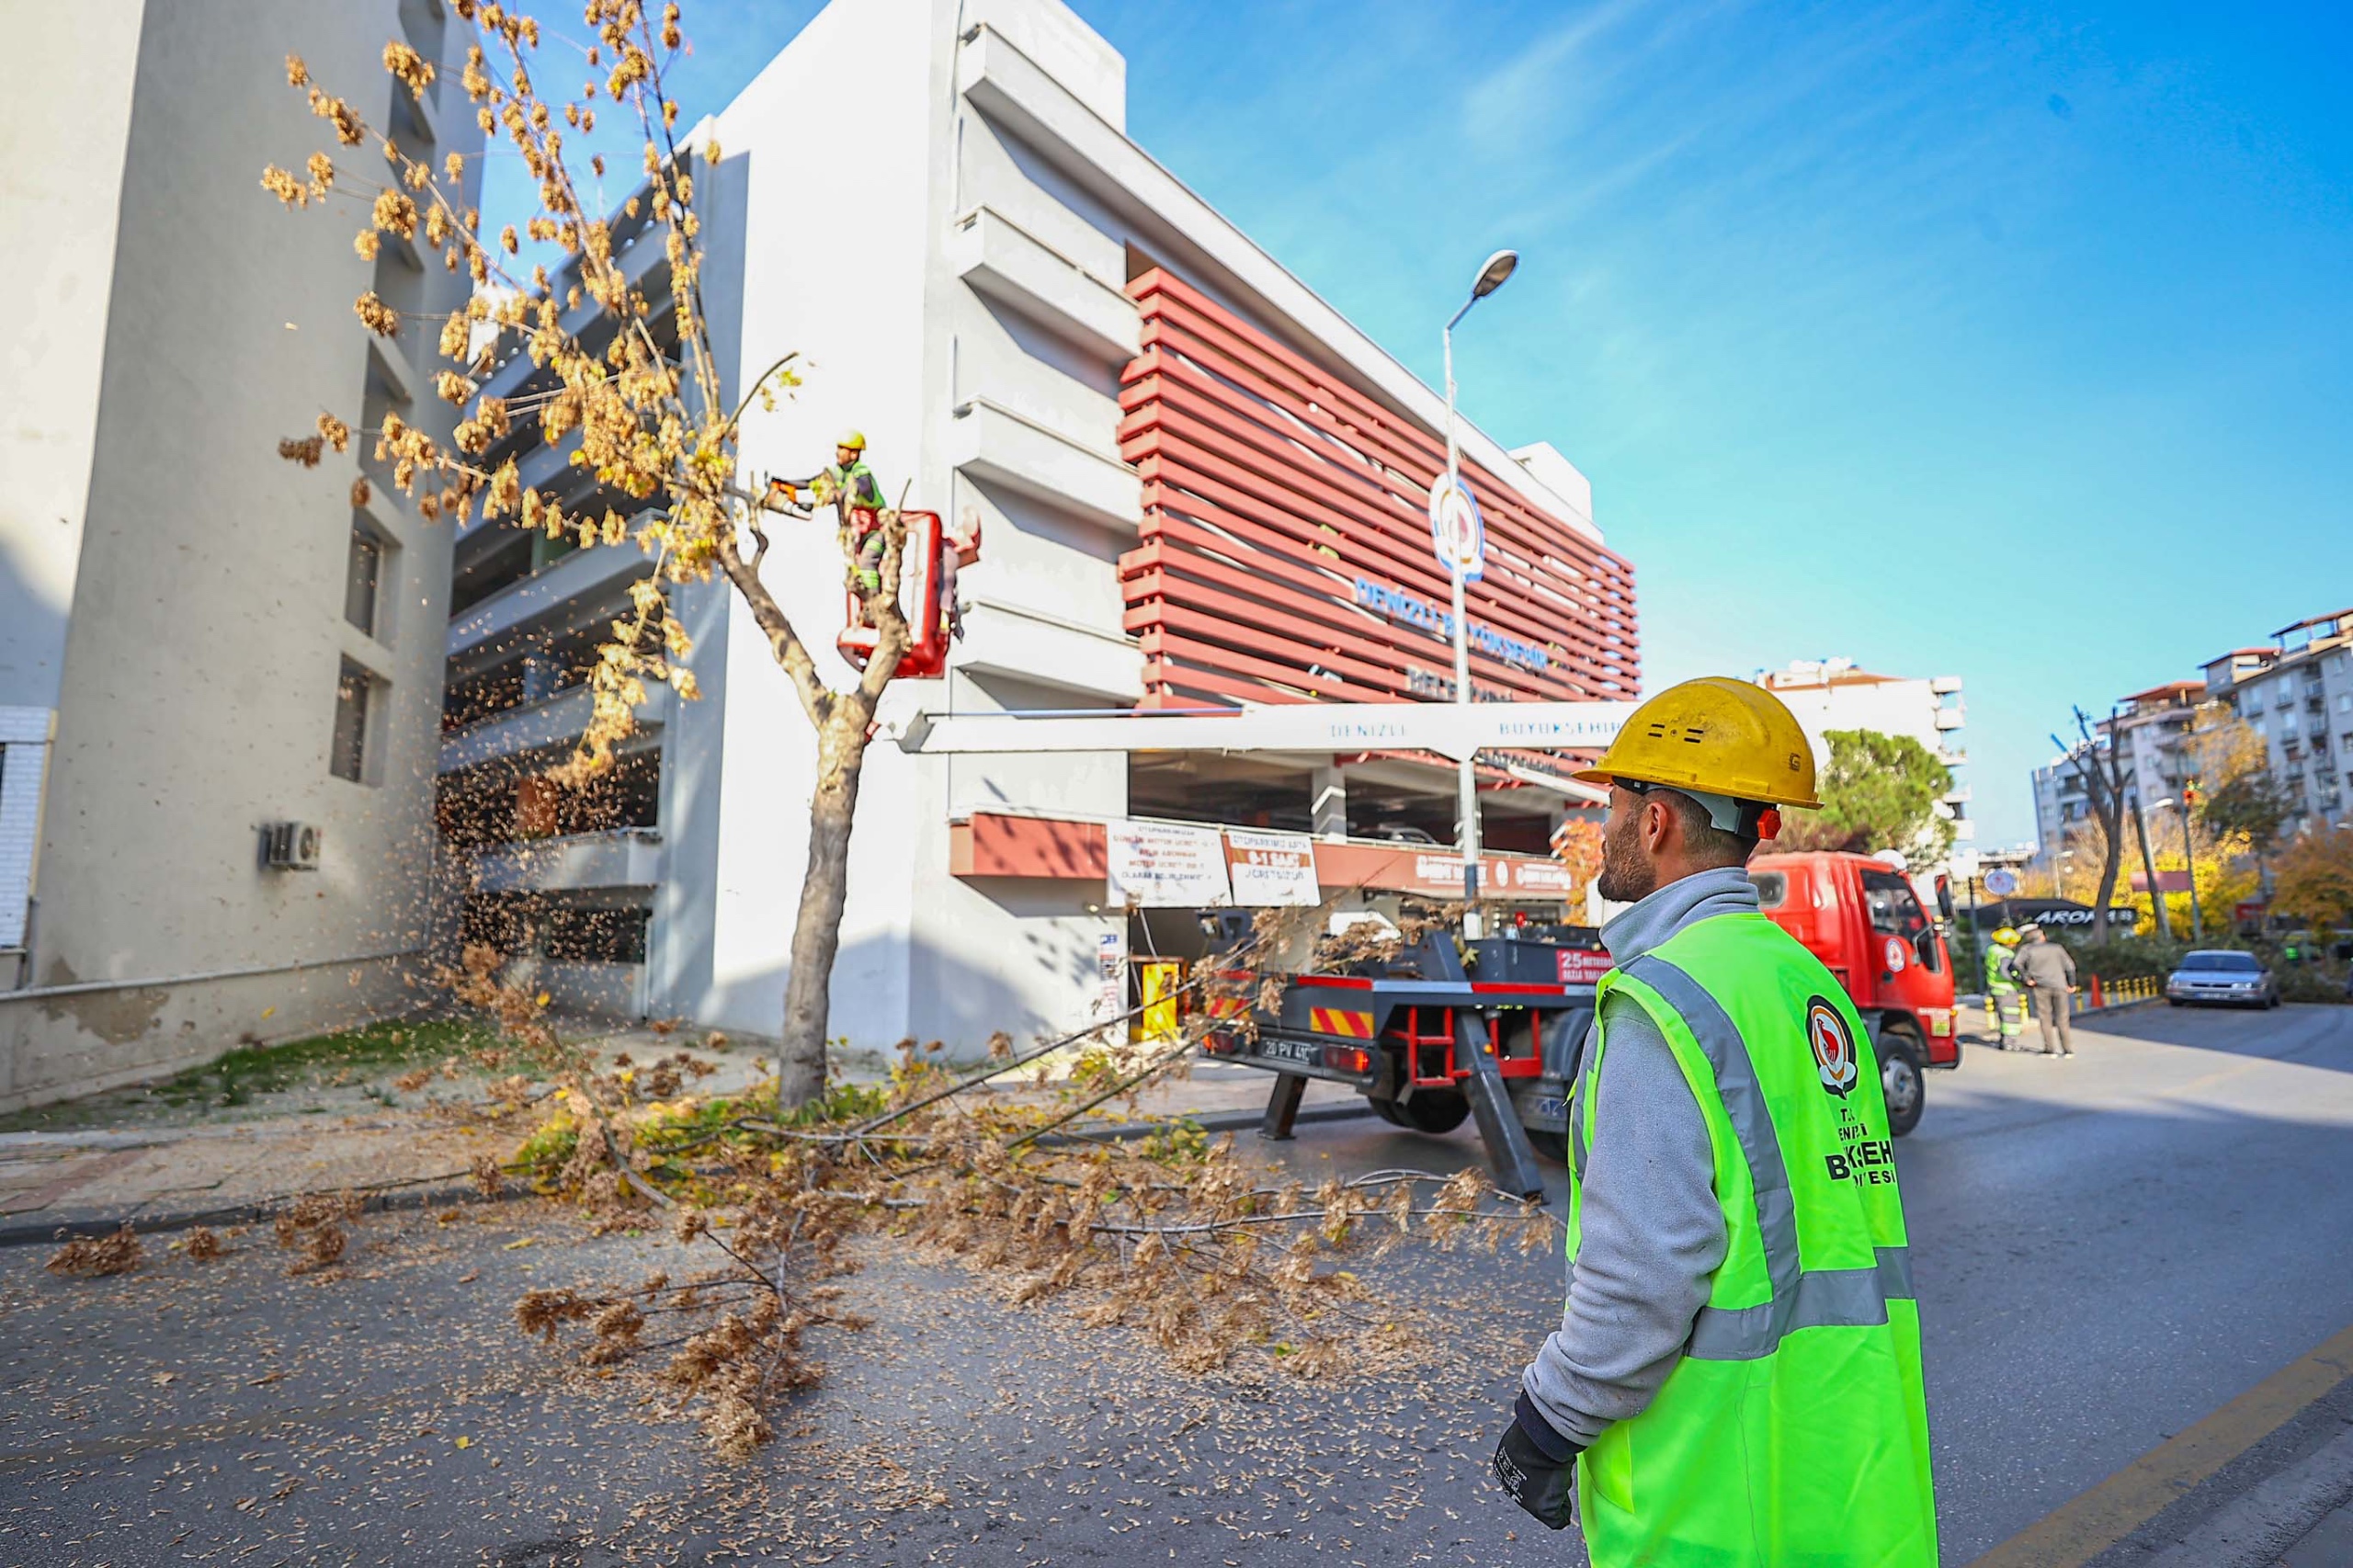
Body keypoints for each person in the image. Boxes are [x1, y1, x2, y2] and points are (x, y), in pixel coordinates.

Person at [1492, 676, 1938, 1567]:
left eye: (1612, 802)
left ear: (1654, 820)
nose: (1603, 826)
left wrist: (1546, 1422)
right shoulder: (1806, 983)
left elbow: (1644, 1275)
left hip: (1715, 1498)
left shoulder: (1662, 1002)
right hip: (1846, 1470)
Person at [770, 429, 889, 590]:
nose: (837, 452)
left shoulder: (861, 472)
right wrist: (785, 483)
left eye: (842, 448)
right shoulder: (837, 472)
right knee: (854, 572)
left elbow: (859, 488)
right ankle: (865, 607)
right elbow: (813, 483)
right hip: (855, 531)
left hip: (875, 530)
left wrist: (829, 498)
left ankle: (874, 604)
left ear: (854, 454)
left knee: (867, 564)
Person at [2013, 923, 2077, 1057]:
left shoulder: (2027, 949)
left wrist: (2026, 978)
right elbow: (2070, 966)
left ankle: (2050, 1048)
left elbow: (2016, 964)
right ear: (2042, 937)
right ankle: (2067, 1049)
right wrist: (2072, 983)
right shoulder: (2057, 948)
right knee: (2062, 1018)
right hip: (2059, 985)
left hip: (2040, 986)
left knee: (2045, 1018)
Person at [1984, 926, 2026, 1047]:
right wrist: (2018, 979)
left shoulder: (1992, 949)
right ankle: (2010, 1043)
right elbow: (2005, 971)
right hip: (2007, 988)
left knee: (2003, 1015)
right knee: (2011, 1017)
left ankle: (2004, 1040)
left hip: (1995, 986)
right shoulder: (2005, 954)